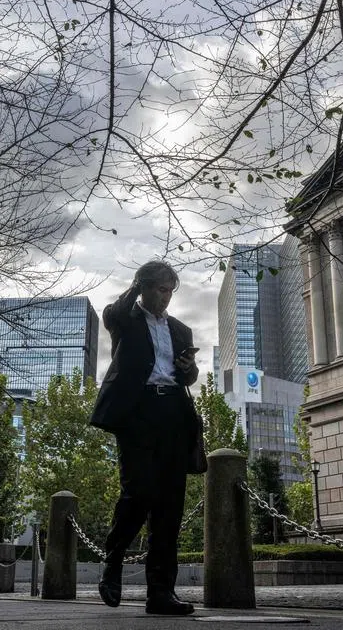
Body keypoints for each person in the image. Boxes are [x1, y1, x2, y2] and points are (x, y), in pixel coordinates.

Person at [89, 260, 201, 616]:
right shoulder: (122, 318)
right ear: (144, 287)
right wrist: (135, 286)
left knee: (169, 506)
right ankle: (113, 561)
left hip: (173, 415)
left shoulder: (181, 330)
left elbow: (189, 377)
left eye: (169, 291)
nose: (164, 297)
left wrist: (189, 370)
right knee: (139, 492)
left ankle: (161, 594)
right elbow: (117, 309)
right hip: (136, 414)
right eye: (158, 288)